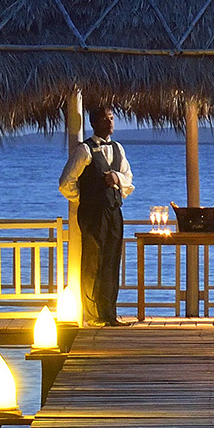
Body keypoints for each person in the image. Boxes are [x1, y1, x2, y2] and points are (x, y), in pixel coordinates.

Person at [62, 107, 136, 323]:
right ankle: (93, 315)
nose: (110, 122)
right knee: (92, 263)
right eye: (104, 119)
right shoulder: (84, 150)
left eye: (112, 118)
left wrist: (116, 178)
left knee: (112, 262)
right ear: (94, 123)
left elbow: (128, 179)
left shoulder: (118, 148)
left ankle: (109, 314)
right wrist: (84, 198)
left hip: (114, 211)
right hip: (93, 213)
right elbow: (66, 182)